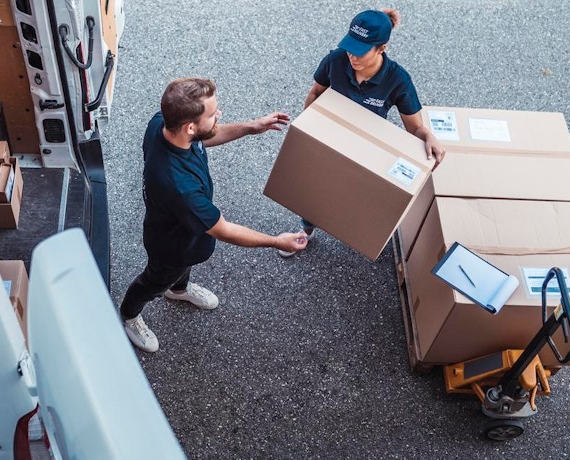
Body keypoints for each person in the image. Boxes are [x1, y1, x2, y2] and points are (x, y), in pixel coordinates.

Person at [120, 78, 308, 352]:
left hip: (188, 233)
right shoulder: (181, 187)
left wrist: (251, 127)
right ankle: (129, 315)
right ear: (190, 126)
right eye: (212, 113)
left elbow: (206, 137)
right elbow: (224, 230)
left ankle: (178, 290)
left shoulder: (163, 124)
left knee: (182, 268)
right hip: (171, 246)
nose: (219, 114)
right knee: (154, 280)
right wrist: (277, 241)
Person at [278, 8, 447, 257]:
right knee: (316, 188)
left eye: (361, 50)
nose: (352, 56)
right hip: (330, 137)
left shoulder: (398, 80)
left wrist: (429, 137)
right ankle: (306, 230)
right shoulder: (335, 60)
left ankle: (357, 232)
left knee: (355, 193)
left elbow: (414, 127)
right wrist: (306, 129)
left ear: (381, 49)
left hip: (366, 147)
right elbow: (316, 92)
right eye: (350, 47)